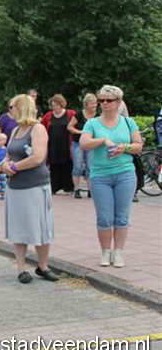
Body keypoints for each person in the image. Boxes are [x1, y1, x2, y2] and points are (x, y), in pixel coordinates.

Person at [80, 85, 142, 268]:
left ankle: (119, 252)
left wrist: (124, 147)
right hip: (100, 176)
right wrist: (102, 140)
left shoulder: (128, 122)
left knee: (122, 216)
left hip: (125, 174)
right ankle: (105, 252)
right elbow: (84, 143)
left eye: (109, 100)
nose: (104, 103)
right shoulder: (92, 123)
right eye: (101, 100)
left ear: (118, 102)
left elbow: (138, 145)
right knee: (104, 217)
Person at [1, 94, 58, 284]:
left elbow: (38, 157)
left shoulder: (37, 128)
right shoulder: (15, 130)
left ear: (21, 107)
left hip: (35, 185)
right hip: (15, 186)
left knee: (40, 226)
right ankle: (21, 268)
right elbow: (9, 154)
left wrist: (14, 167)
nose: (9, 110)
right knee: (19, 227)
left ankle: (43, 266)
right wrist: (4, 164)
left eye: (12, 106)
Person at [41, 94, 76, 194]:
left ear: (61, 104)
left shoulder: (70, 114)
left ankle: (68, 187)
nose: (54, 107)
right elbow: (42, 127)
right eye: (53, 105)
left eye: (56, 105)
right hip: (53, 145)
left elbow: (75, 125)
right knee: (54, 165)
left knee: (67, 165)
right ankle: (54, 187)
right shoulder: (48, 116)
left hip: (66, 144)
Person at [68, 93, 97, 199]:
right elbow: (69, 127)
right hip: (78, 143)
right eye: (92, 103)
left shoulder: (98, 115)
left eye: (95, 103)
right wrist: (80, 132)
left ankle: (90, 190)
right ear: (86, 104)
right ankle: (77, 189)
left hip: (91, 144)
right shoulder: (79, 114)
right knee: (77, 166)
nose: (94, 105)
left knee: (90, 167)